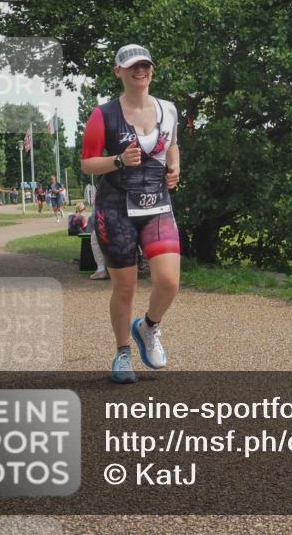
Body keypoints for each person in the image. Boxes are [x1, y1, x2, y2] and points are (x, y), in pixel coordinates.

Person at [80, 44, 181, 384]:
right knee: (125, 288)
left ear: (152, 70)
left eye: (145, 65)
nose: (140, 71)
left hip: (158, 204)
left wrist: (175, 165)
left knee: (168, 280)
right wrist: (119, 160)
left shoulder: (168, 109)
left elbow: (172, 144)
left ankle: (148, 327)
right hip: (117, 207)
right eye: (132, 66)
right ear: (118, 71)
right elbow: (87, 163)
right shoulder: (103, 114)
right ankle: (122, 353)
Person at [83, 180, 108, 280]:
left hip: (105, 220)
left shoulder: (103, 185)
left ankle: (101, 269)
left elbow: (96, 209)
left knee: (95, 240)